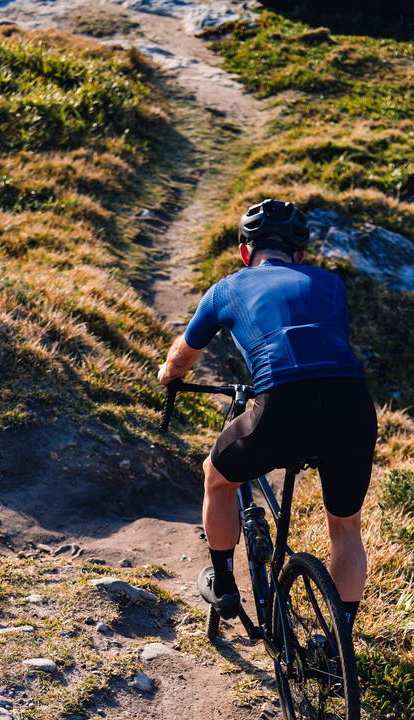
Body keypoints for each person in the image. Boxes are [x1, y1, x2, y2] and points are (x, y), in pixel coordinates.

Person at [157, 198, 377, 630]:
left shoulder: (226, 289)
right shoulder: (331, 283)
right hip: (352, 403)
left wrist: (169, 374)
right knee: (346, 528)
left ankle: (223, 583)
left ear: (245, 252)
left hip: (282, 401)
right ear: (300, 256)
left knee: (216, 475)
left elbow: (184, 354)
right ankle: (338, 641)